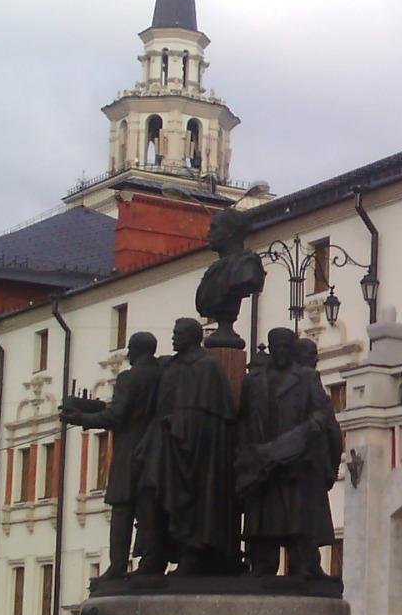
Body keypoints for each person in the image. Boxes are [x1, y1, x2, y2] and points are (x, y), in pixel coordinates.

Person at [133, 317, 240, 576]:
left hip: (195, 450)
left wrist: (182, 422)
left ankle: (190, 555)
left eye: (179, 333)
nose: (173, 338)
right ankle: (153, 555)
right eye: (174, 333)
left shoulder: (208, 366)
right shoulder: (169, 365)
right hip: (163, 442)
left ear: (193, 336)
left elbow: (217, 414)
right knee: (150, 494)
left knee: (191, 502)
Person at [236, 327, 342, 578]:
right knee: (264, 521)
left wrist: (299, 437)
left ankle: (306, 564)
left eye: (285, 346)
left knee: (298, 519)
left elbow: (320, 414)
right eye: (276, 347)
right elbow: (243, 419)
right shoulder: (253, 381)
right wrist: (250, 453)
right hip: (264, 463)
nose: (280, 351)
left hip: (297, 461)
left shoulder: (306, 378)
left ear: (292, 349)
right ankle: (262, 565)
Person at [60, 332, 162, 579]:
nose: (128, 353)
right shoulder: (163, 375)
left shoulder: (129, 377)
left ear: (136, 350)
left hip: (129, 451)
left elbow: (117, 416)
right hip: (156, 452)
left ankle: (117, 565)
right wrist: (97, 407)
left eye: (130, 348)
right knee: (149, 511)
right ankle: (152, 562)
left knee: (122, 510)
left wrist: (81, 418)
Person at [195, 208, 266, 349]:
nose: (209, 234)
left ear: (230, 232)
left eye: (214, 228)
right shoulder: (215, 269)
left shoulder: (247, 265)